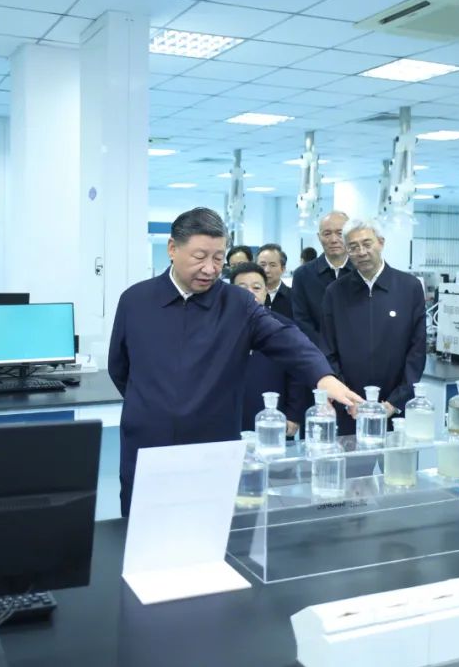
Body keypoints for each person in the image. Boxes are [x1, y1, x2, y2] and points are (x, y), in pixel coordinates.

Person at [109, 208, 363, 516]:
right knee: (144, 529)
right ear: (172, 249)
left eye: (218, 258)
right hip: (148, 444)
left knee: (211, 528)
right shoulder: (135, 300)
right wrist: (153, 404)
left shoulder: (237, 304)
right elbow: (119, 367)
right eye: (200, 256)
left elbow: (285, 338)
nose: (210, 268)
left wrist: (324, 377)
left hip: (213, 445)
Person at [321, 218, 427, 434]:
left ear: (381, 242)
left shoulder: (409, 287)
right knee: (351, 456)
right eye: (353, 247)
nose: (361, 252)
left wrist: (395, 402)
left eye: (367, 244)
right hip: (350, 409)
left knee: (398, 456)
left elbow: (417, 350)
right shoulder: (335, 292)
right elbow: (328, 350)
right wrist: (347, 399)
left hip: (396, 411)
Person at [230, 262, 306, 438]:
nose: (250, 293)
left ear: (266, 292)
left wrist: (293, 414)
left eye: (256, 288)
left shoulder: (283, 326)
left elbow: (297, 374)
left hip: (272, 417)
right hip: (227, 417)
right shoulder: (217, 328)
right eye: (242, 288)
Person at [290, 211, 354, 345]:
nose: (334, 239)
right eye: (327, 234)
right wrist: (324, 349)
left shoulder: (362, 271)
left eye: (340, 233)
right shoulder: (302, 275)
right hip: (316, 351)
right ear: (319, 237)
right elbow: (302, 320)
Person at [256, 243, 292, 319]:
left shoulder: (294, 297)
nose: (266, 270)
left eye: (272, 265)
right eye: (262, 265)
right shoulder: (249, 296)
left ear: (283, 269)